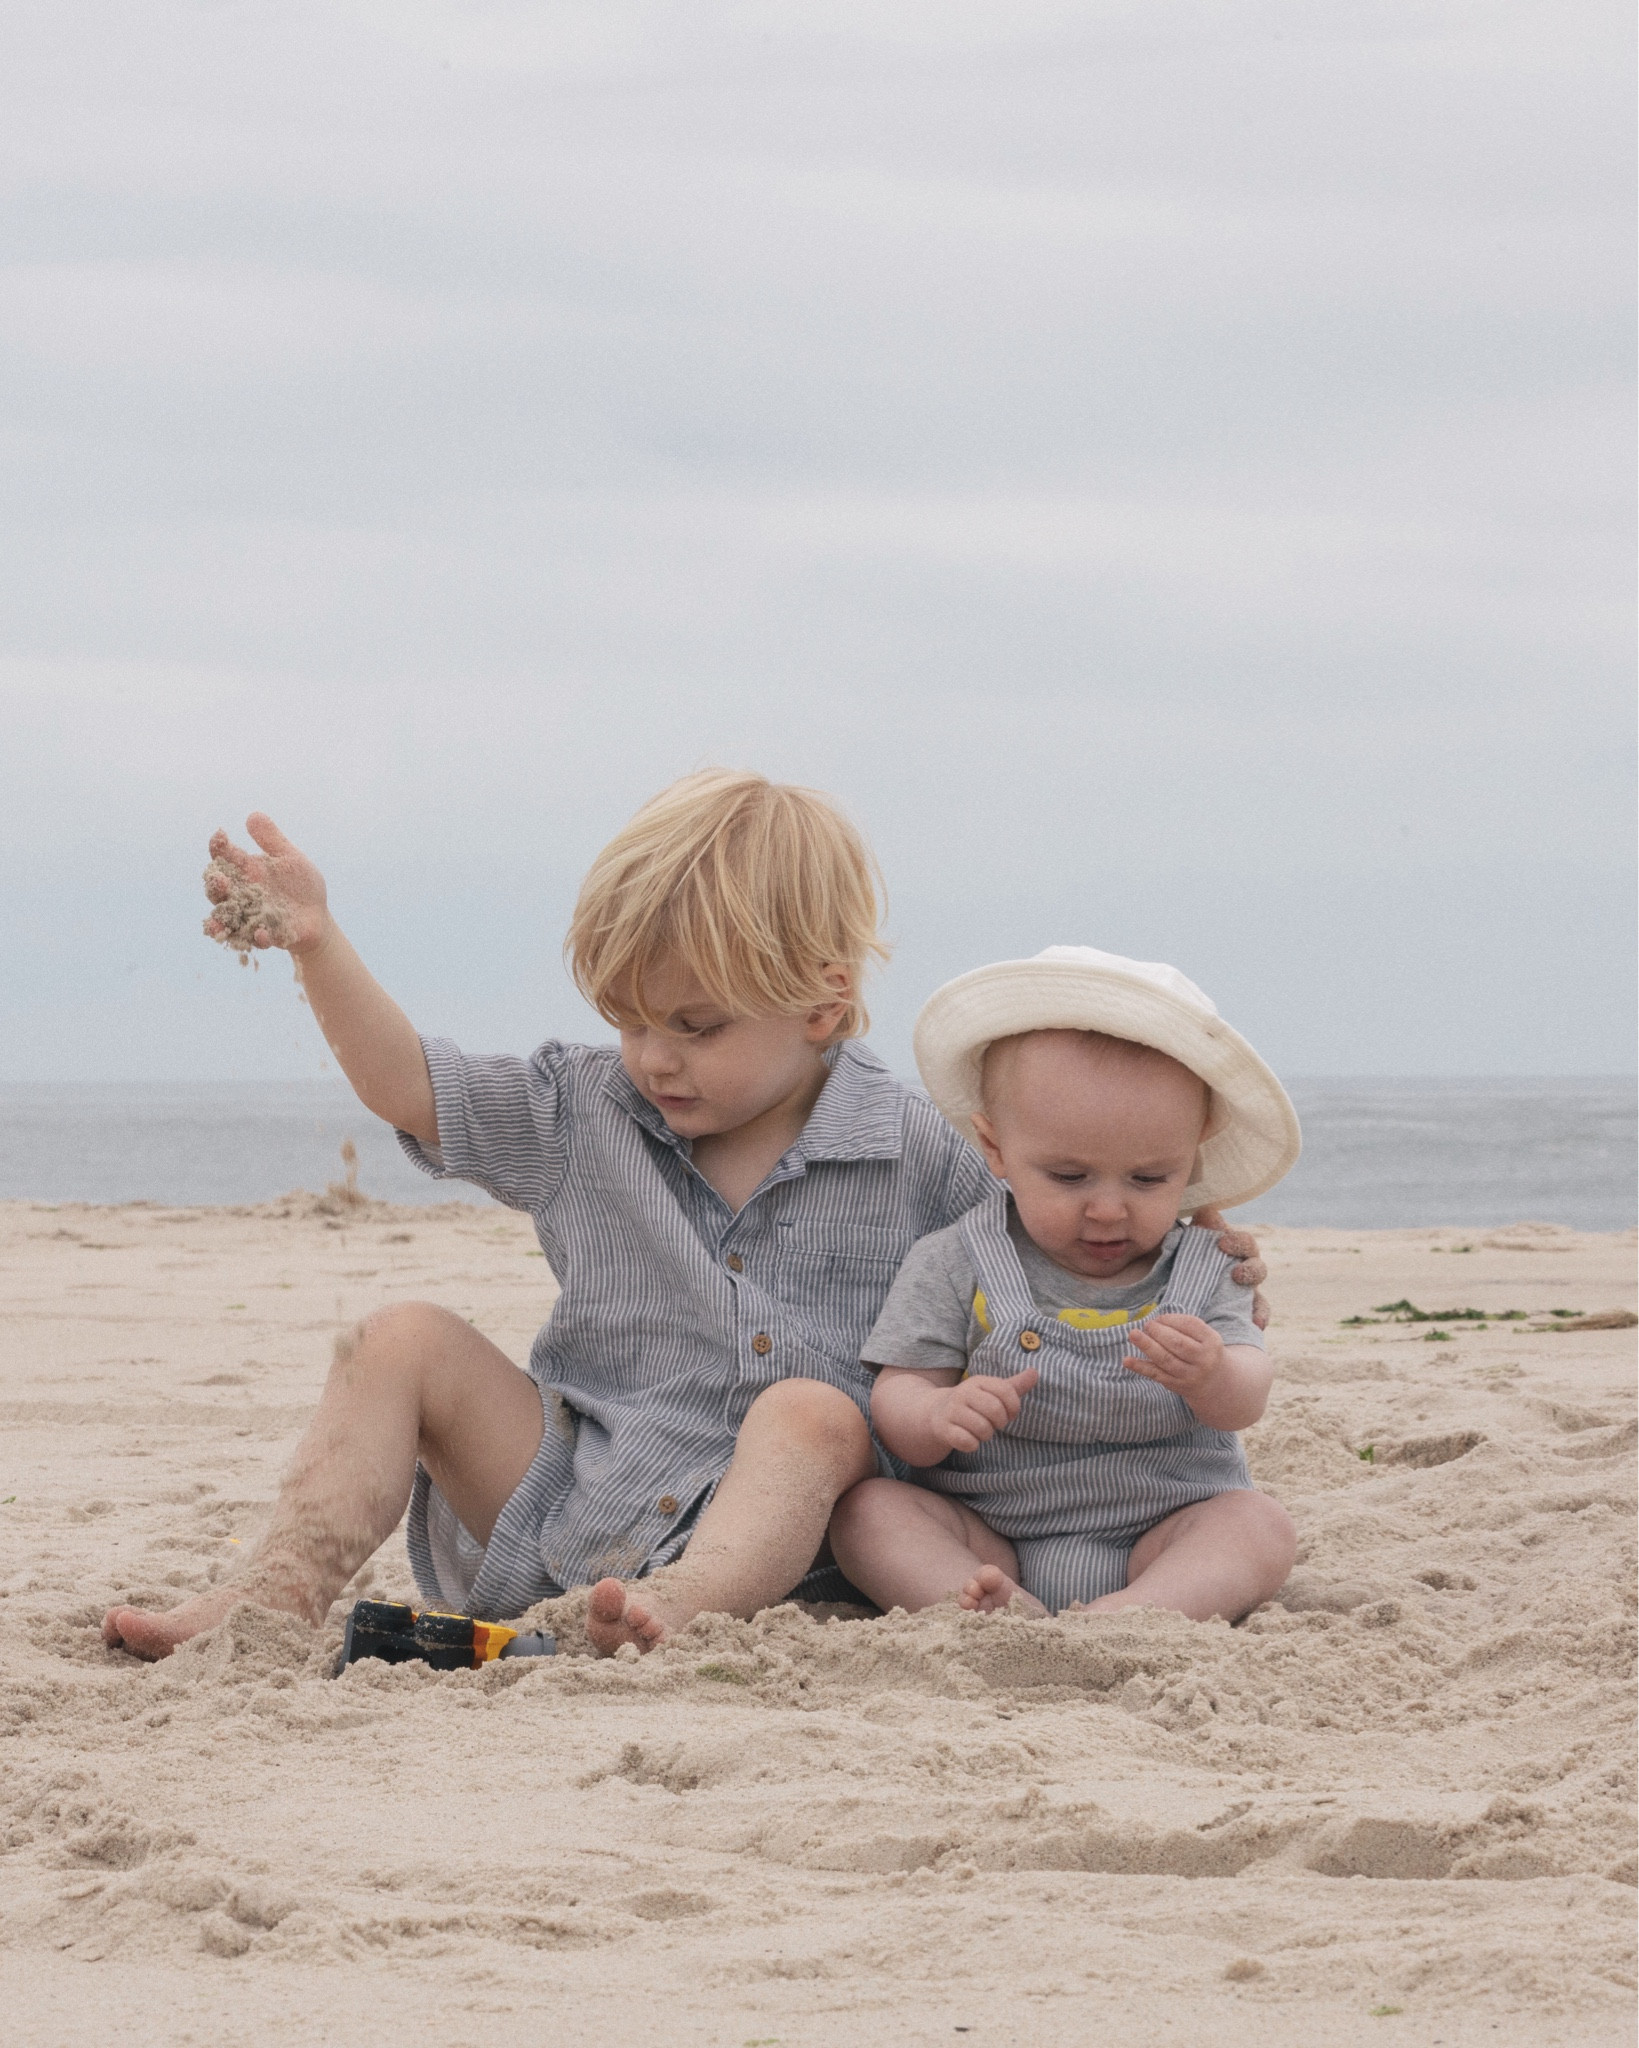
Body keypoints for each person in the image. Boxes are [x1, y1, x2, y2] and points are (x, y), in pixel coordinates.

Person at [101, 781, 1266, 1663]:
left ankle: (672, 1617)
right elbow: (409, 1082)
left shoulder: (919, 1149)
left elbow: (1061, 1242)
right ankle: (268, 1599)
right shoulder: (578, 1108)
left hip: (768, 1540)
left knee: (813, 1411)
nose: (653, 1055)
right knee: (397, 1334)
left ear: (822, 1000)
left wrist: (1205, 1251)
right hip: (556, 1489)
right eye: (630, 1018)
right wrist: (318, 943)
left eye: (696, 1025)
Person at [828, 946, 1299, 1623]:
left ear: (1193, 1152)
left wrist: (1212, 1375)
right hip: (992, 1528)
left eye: (1147, 1179)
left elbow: (1247, 1395)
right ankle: (998, 1606)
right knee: (868, 1513)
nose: (1108, 1209)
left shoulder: (1203, 1266)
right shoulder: (955, 1260)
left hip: (1162, 1528)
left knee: (1257, 1525)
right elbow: (900, 1389)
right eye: (1069, 1178)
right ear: (994, 1148)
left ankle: (1135, 1613)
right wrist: (935, 1415)